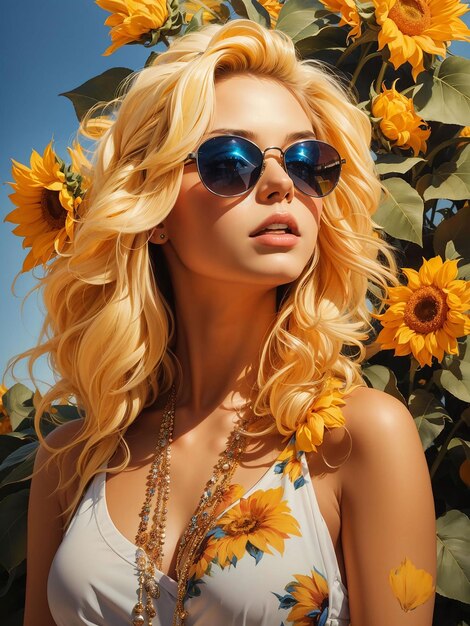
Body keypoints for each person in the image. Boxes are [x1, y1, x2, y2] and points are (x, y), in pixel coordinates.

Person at [20, 18, 436, 626]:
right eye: (231, 160)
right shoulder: (71, 460)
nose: (278, 184)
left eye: (306, 161)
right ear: (152, 206)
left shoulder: (360, 438)